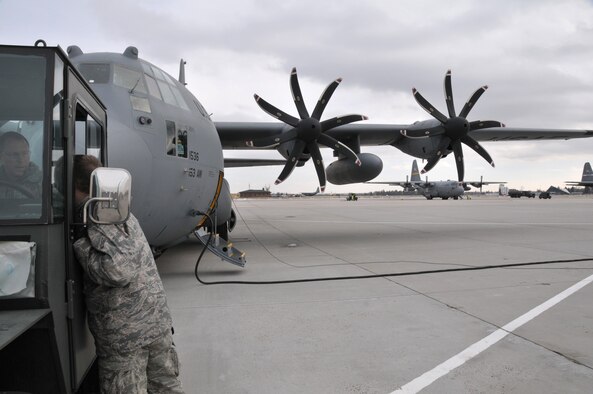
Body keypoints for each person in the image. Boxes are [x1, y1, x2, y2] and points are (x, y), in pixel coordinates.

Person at [72, 155, 184, 393]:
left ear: (74, 186)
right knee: (166, 387)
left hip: (126, 336)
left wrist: (81, 248)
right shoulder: (117, 209)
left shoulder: (96, 214)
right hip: (154, 324)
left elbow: (118, 270)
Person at [0, 131, 42, 198]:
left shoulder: (43, 183)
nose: (21, 160)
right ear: (1, 157)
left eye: (25, 154)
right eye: (14, 155)